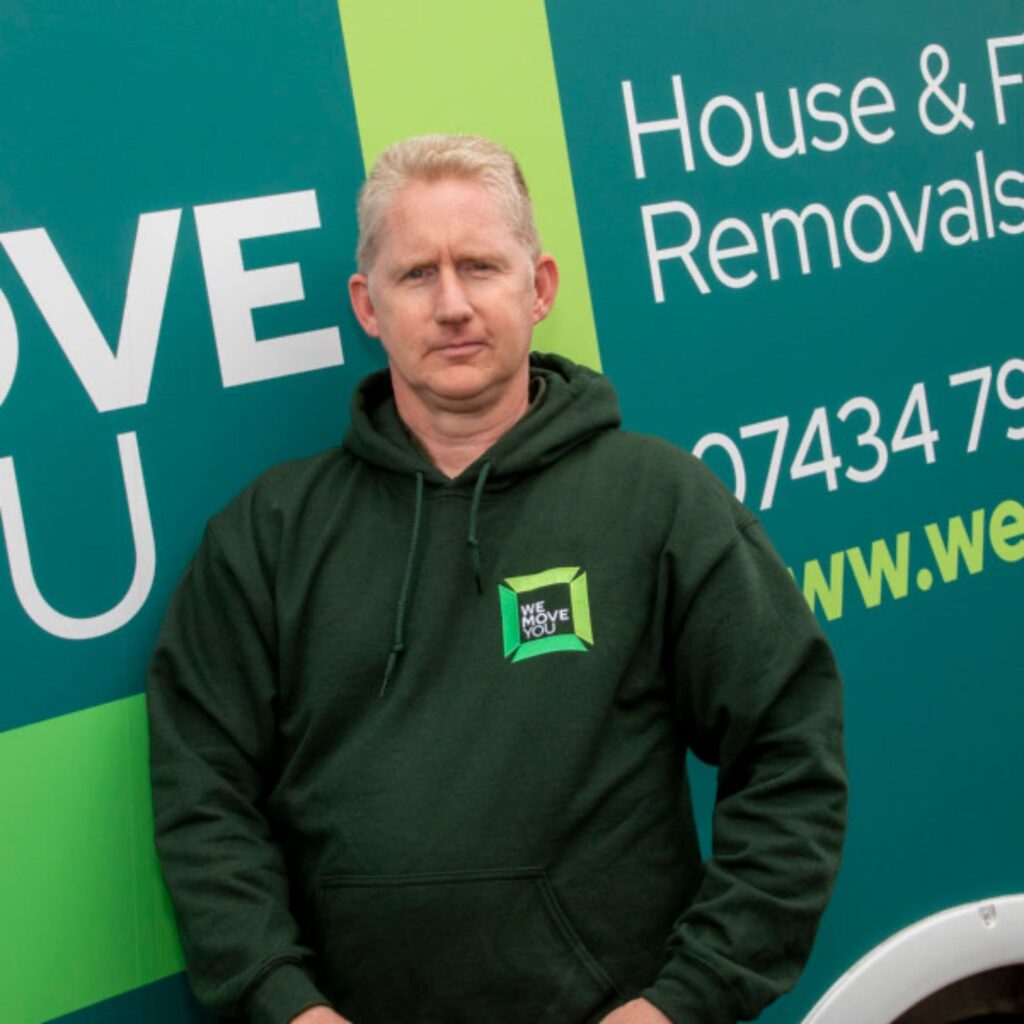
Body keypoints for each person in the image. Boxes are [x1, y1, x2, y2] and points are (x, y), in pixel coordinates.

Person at [147, 134, 847, 1024]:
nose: (451, 305)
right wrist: (282, 1005)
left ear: (540, 286)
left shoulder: (658, 502)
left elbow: (791, 747)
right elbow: (203, 798)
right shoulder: (267, 534)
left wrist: (684, 1001)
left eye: (480, 266)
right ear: (367, 305)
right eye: (416, 275)